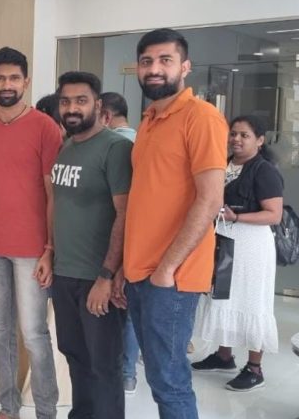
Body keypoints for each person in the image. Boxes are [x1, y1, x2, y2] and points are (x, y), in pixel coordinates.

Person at [120, 28, 228, 419]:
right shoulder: (149, 120)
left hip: (172, 277)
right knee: (160, 377)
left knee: (169, 382)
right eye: (146, 61)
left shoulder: (202, 117)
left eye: (165, 60)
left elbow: (210, 199)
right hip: (140, 272)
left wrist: (167, 269)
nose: (154, 69)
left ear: (185, 67)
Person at [0, 46, 61, 419]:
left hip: (32, 249)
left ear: (26, 81)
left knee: (34, 334)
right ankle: (8, 407)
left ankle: (45, 412)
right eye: (0, 78)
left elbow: (54, 193)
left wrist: (50, 248)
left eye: (14, 78)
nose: (7, 85)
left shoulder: (45, 127)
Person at [51, 71, 131, 419]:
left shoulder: (116, 148)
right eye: (66, 101)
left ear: (98, 105)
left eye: (81, 100)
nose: (72, 108)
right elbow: (61, 207)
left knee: (104, 364)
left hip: (97, 276)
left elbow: (125, 214)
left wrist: (106, 275)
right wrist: (50, 252)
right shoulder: (67, 147)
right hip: (64, 273)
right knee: (74, 355)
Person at [193, 114, 283, 391]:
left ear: (260, 140)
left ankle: (255, 368)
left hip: (252, 245)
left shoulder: (264, 170)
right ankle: (224, 356)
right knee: (224, 296)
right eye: (233, 134)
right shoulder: (225, 164)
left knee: (252, 302)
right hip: (225, 239)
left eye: (244, 135)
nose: (236, 139)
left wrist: (237, 218)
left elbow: (274, 215)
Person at [98, 91, 140, 395]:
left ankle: (118, 370)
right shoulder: (141, 143)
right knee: (128, 308)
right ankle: (128, 373)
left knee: (113, 307)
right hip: (137, 238)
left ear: (106, 115)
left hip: (110, 235)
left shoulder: (111, 146)